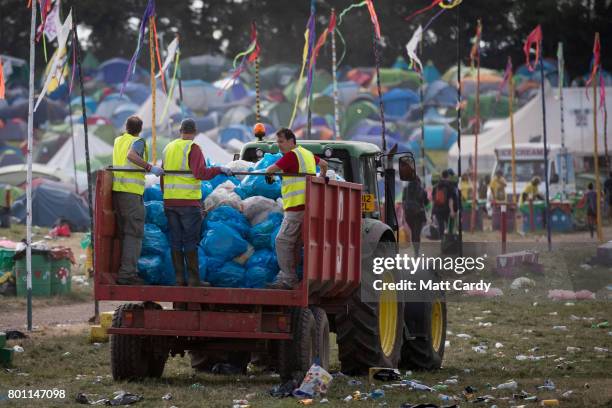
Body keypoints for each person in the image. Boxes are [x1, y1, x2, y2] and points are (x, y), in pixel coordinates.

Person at [161, 118, 233, 287]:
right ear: (194, 132)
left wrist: (165, 196)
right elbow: (200, 173)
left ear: (180, 130)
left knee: (176, 240)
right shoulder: (193, 148)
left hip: (170, 201)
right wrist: (219, 169)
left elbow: (163, 174)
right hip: (188, 202)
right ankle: (194, 279)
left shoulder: (168, 148)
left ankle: (179, 279)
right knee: (190, 240)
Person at [265, 128, 327, 289]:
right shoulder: (306, 154)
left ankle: (288, 279)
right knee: (296, 243)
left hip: (296, 206)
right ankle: (296, 277)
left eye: (281, 142)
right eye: (277, 142)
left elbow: (270, 170)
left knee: (282, 241)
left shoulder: (291, 156)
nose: (279, 145)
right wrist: (321, 178)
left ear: (291, 141)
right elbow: (324, 164)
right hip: (310, 206)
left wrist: (269, 177)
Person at [112, 116, 163, 285]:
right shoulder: (138, 141)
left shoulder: (119, 140)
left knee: (125, 234)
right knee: (134, 234)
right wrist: (150, 167)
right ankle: (127, 274)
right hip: (131, 194)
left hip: (118, 192)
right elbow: (131, 156)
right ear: (140, 129)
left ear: (126, 127)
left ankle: (123, 271)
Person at [402, 176, 429, 256]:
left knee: (413, 231)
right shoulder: (422, 190)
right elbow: (426, 203)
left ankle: (415, 247)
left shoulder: (405, 189)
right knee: (417, 233)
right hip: (418, 214)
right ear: (419, 181)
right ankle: (416, 251)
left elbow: (403, 202)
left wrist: (403, 216)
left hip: (408, 214)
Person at [431, 170, 456, 238]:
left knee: (440, 225)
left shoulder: (436, 186)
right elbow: (450, 199)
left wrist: (432, 212)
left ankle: (442, 239)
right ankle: (449, 240)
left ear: (441, 176)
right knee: (449, 225)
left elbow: (433, 200)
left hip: (437, 208)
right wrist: (452, 210)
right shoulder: (450, 185)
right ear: (448, 176)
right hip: (446, 209)